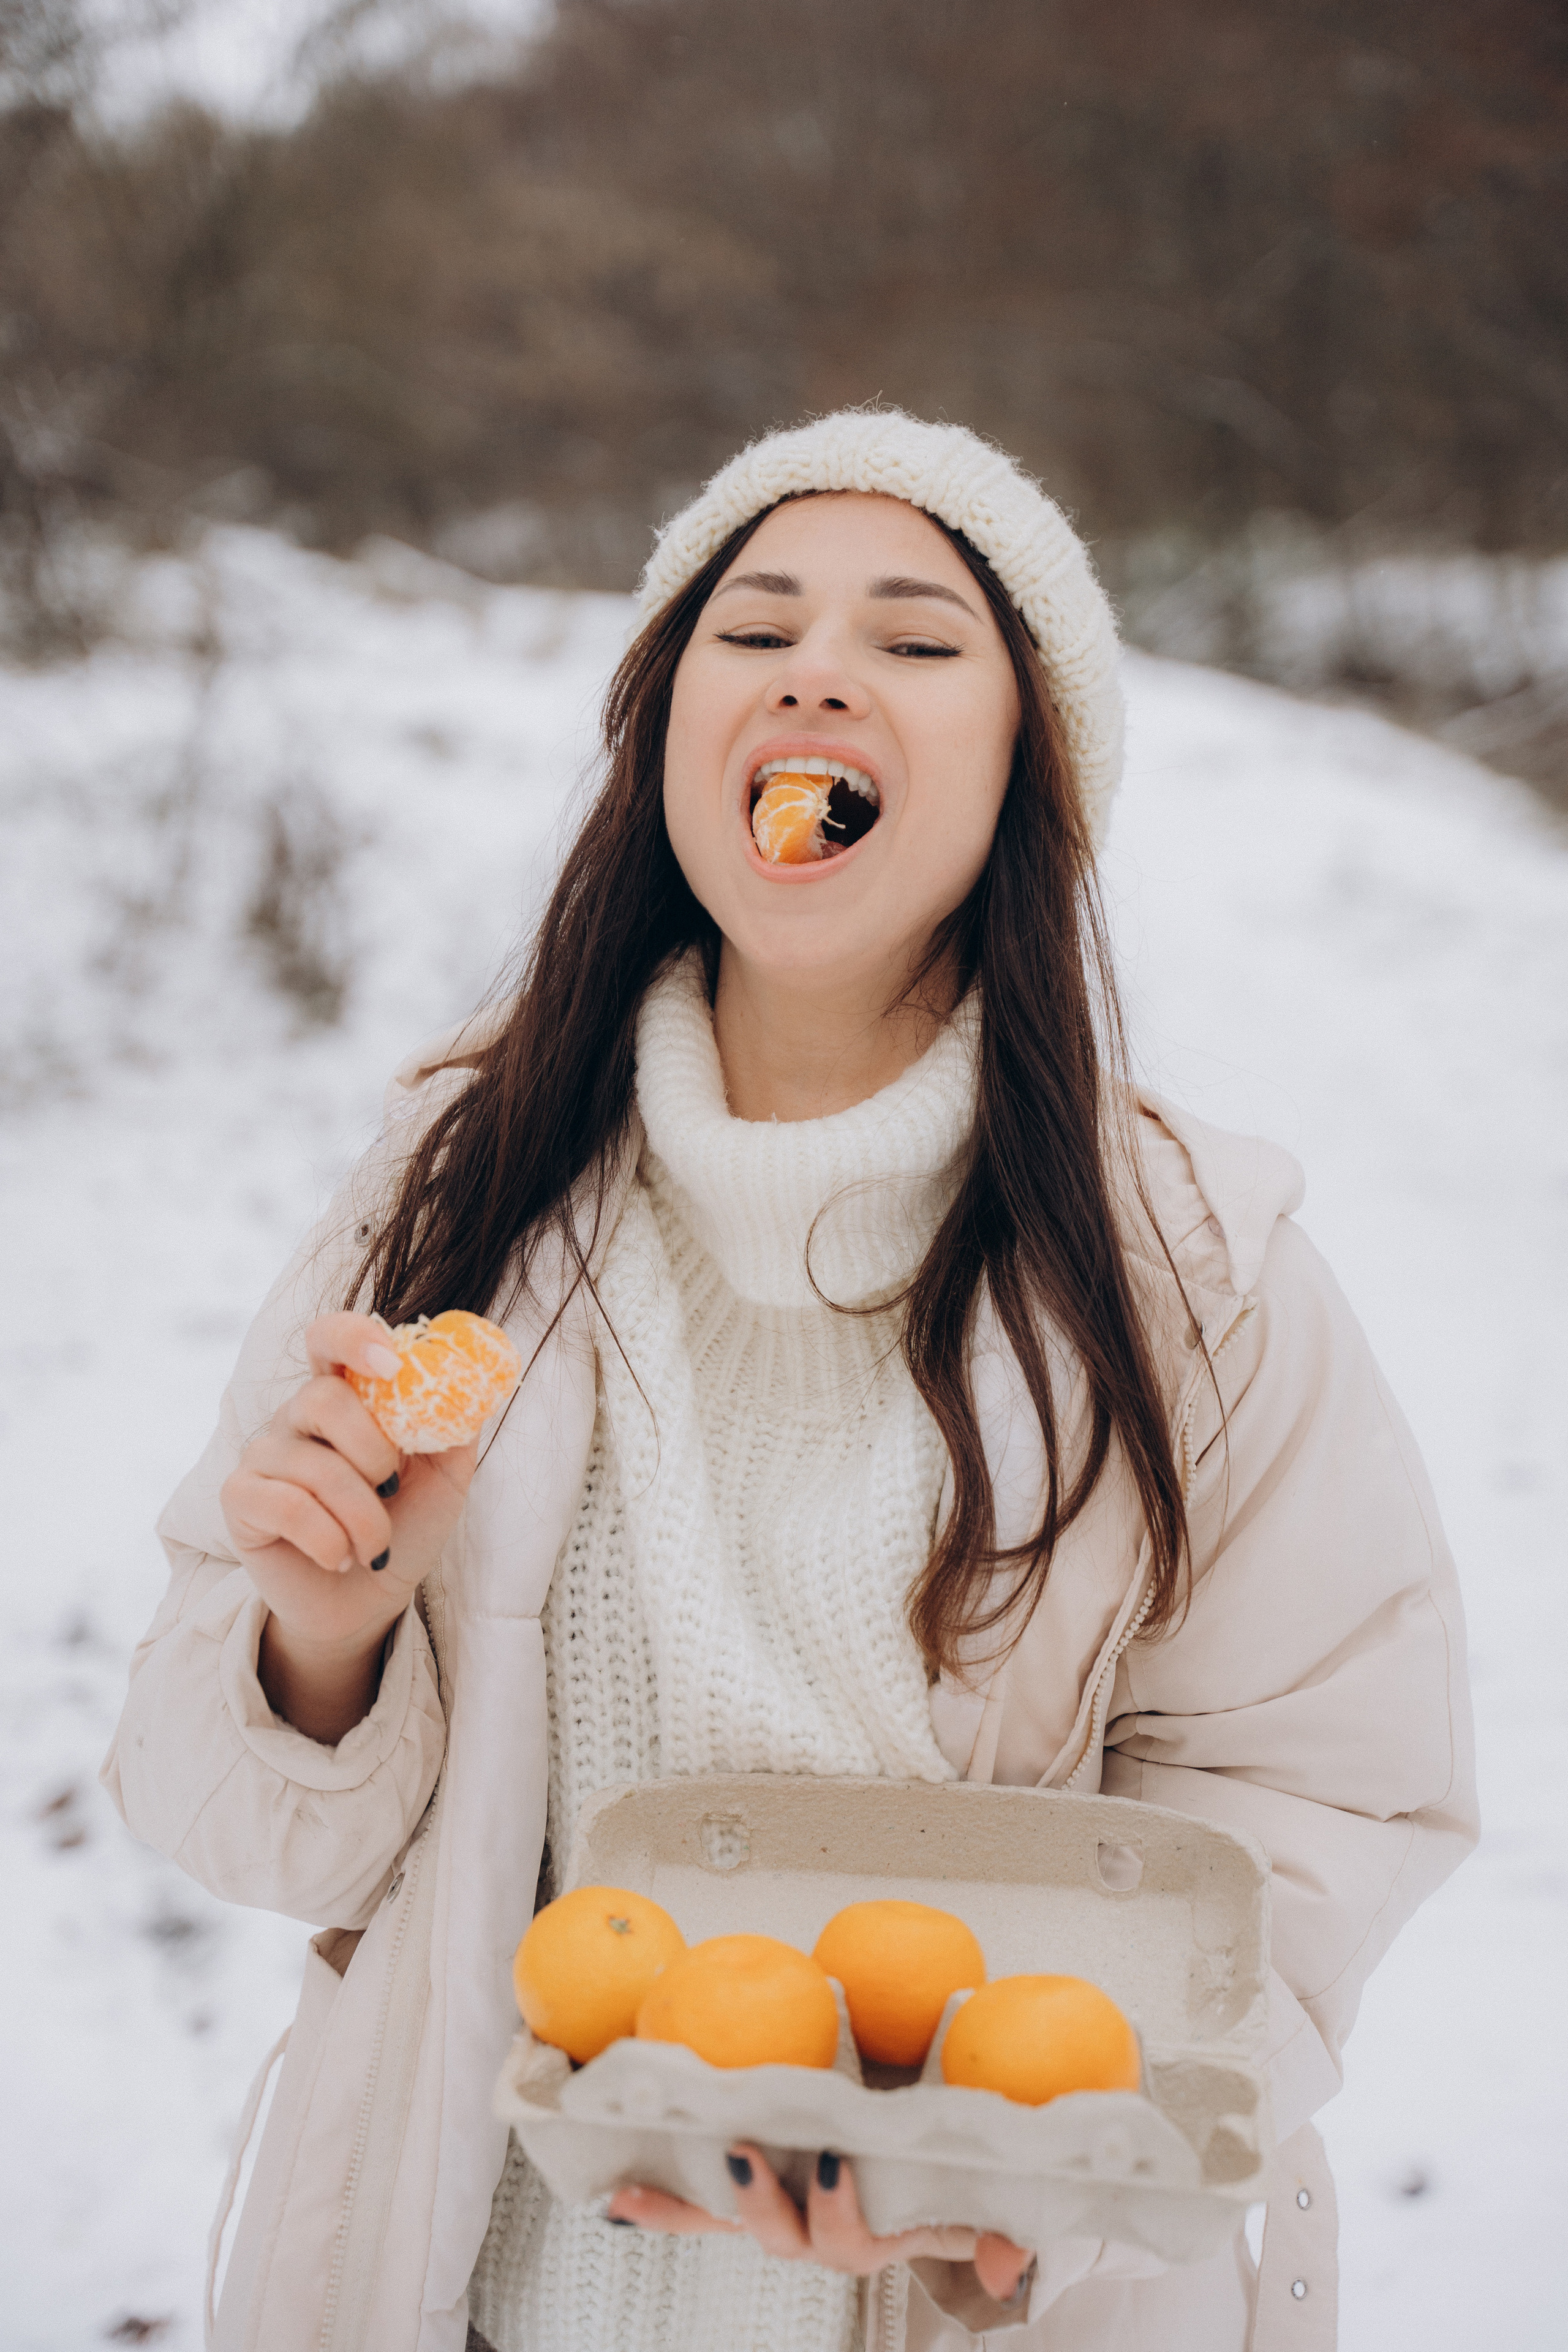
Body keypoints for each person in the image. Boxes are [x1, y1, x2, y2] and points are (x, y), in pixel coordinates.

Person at [103, 409, 1477, 2352]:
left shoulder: (1191, 1273)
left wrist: (1035, 2180)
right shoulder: (453, 1204)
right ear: (665, 734)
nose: (822, 667)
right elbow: (228, 1818)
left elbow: (1326, 1804)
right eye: (753, 631)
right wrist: (318, 1646)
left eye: (920, 645)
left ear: (1023, 773)